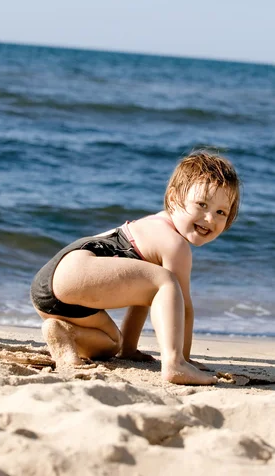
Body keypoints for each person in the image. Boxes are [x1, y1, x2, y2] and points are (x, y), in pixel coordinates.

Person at [31, 150, 240, 385]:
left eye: (221, 212)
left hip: (50, 287)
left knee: (110, 344)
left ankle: (63, 331)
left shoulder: (149, 226)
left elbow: (143, 299)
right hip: (74, 270)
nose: (210, 218)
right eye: (201, 204)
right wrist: (185, 358)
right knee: (167, 283)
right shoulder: (175, 244)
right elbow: (184, 307)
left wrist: (128, 350)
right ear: (173, 198)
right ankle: (175, 364)